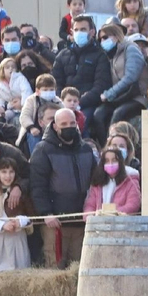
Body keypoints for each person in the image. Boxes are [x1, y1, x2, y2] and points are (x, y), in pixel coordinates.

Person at [29, 108, 96, 266]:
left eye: (72, 123)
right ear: (55, 126)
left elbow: (95, 182)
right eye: (64, 124)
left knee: (79, 268)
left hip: (82, 221)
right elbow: (37, 185)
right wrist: (46, 212)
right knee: (55, 267)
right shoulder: (43, 150)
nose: (69, 127)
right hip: (55, 222)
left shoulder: (86, 149)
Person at [91, 21, 148, 143]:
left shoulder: (131, 48)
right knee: (98, 114)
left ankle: (115, 147)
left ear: (116, 36)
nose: (102, 41)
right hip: (121, 97)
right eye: (100, 39)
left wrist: (109, 93)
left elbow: (130, 77)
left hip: (137, 96)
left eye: (106, 37)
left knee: (118, 114)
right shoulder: (110, 54)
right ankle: (104, 148)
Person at [0, 155, 32, 270]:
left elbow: (32, 213)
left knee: (20, 267)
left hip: (18, 237)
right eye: (4, 172)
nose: (8, 176)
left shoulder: (20, 190)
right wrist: (1, 225)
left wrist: (21, 221)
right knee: (0, 269)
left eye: (11, 172)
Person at [83, 145, 141, 215]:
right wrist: (90, 216)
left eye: (114, 160)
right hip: (99, 223)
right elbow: (89, 205)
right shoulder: (97, 182)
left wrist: (112, 213)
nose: (110, 163)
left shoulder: (130, 181)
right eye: (107, 161)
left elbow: (133, 204)